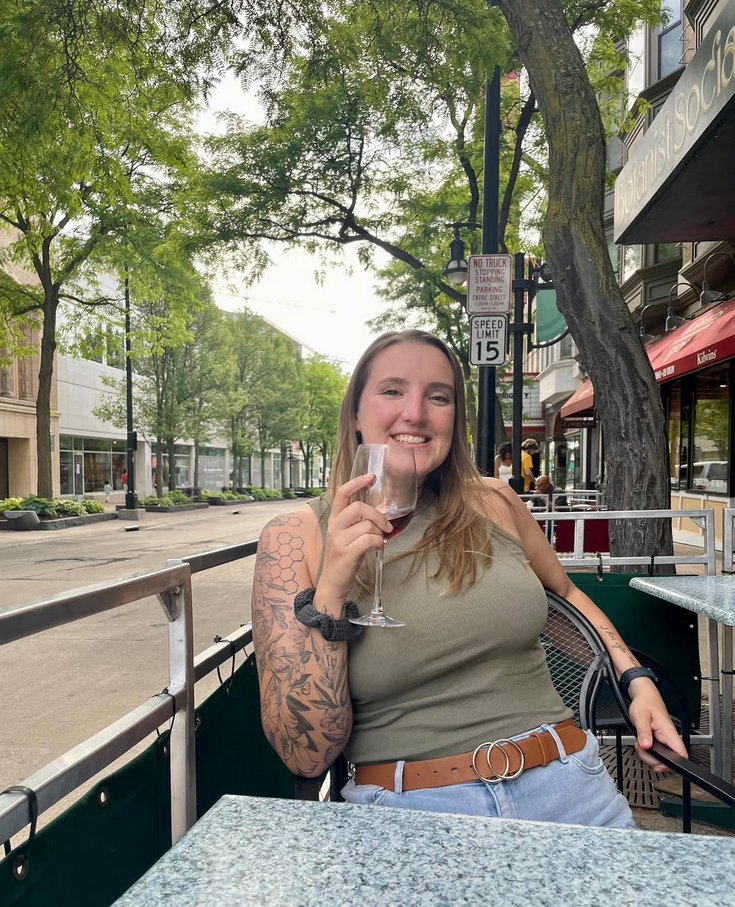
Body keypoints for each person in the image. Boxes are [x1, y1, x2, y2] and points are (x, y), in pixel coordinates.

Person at [252, 330, 686, 829]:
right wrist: (331, 592)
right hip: (409, 809)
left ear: (454, 420)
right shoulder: (295, 538)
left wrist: (636, 681)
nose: (415, 413)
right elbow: (305, 754)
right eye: (392, 390)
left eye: (439, 397)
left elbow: (564, 595)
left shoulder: (495, 501)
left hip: (569, 783)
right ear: (355, 413)